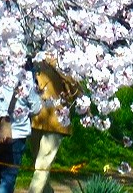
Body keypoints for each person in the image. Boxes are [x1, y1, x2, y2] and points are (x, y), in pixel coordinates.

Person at [0, 63, 43, 193]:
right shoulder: (25, 78)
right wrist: (23, 112)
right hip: (17, 133)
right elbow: (36, 108)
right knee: (8, 177)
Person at [28, 59, 81, 193]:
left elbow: (76, 90)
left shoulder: (64, 62)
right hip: (38, 118)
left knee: (42, 164)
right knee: (39, 163)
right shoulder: (37, 61)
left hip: (53, 119)